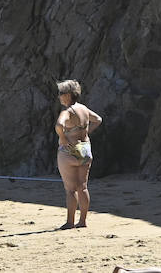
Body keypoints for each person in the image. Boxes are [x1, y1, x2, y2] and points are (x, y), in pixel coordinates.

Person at [55, 78, 102, 230]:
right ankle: (82, 221)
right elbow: (98, 120)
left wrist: (63, 138)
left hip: (69, 151)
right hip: (85, 149)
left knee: (70, 189)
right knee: (83, 186)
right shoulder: (83, 109)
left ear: (68, 95)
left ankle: (70, 222)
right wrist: (87, 132)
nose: (59, 96)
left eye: (61, 93)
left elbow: (59, 125)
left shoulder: (67, 112)